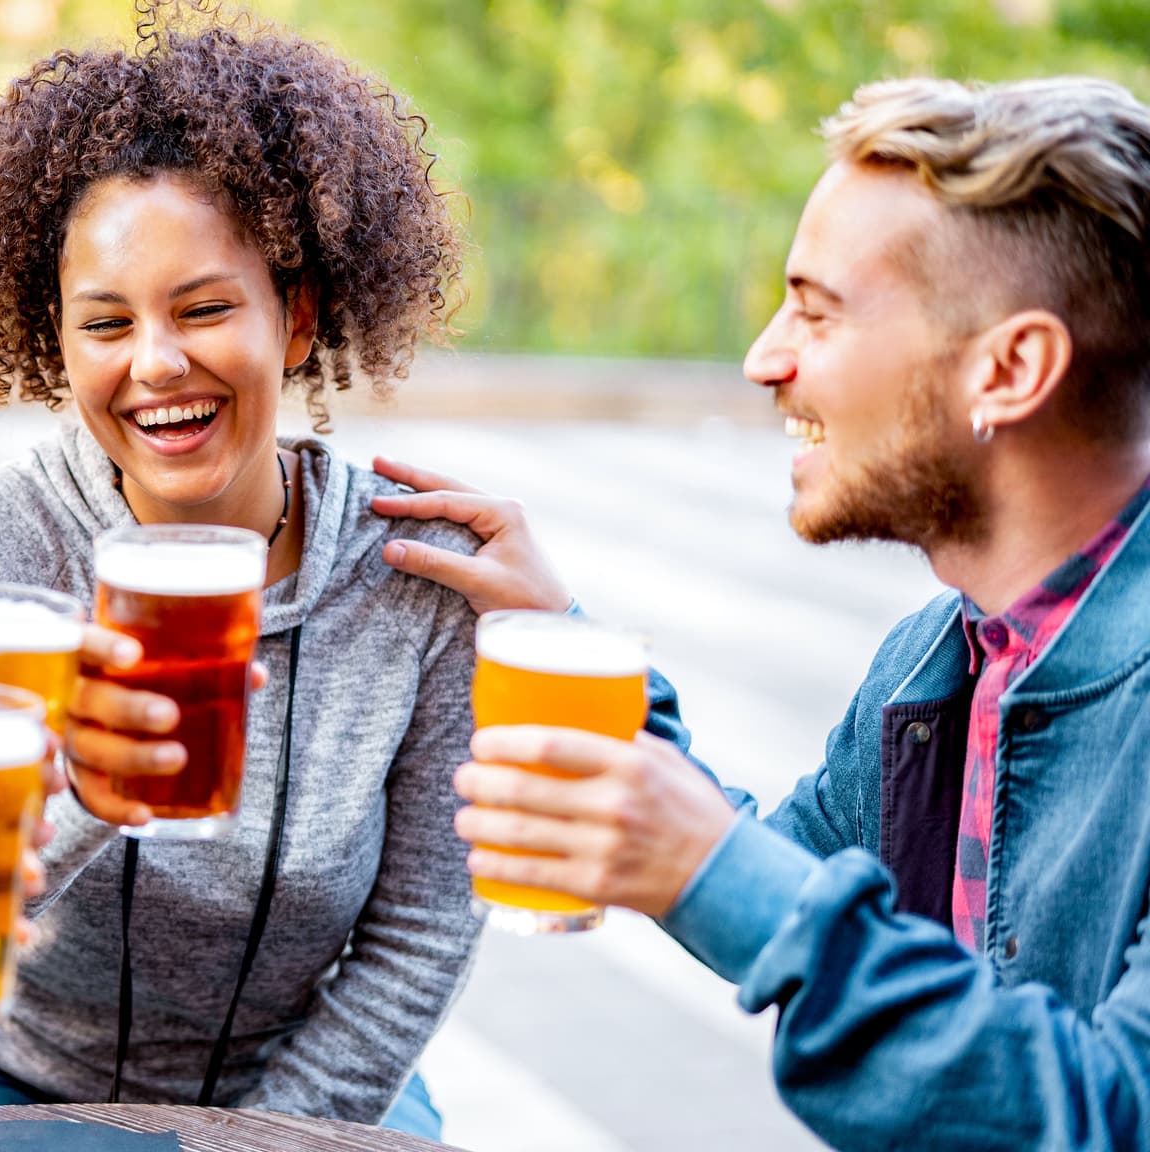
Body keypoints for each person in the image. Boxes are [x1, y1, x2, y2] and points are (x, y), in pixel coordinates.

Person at [0, 5, 689, 1134]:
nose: (154, 365)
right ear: (54, 339)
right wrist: (90, 791)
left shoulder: (413, 573)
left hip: (298, 1083)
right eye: (104, 324)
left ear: (295, 320)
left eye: (203, 309)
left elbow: (418, 937)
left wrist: (254, 1139)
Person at [402, 77, 1150, 1149]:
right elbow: (781, 878)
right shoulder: (941, 658)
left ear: (1008, 369)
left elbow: (1105, 1120)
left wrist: (712, 869)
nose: (762, 359)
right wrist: (573, 641)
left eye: (814, 309)